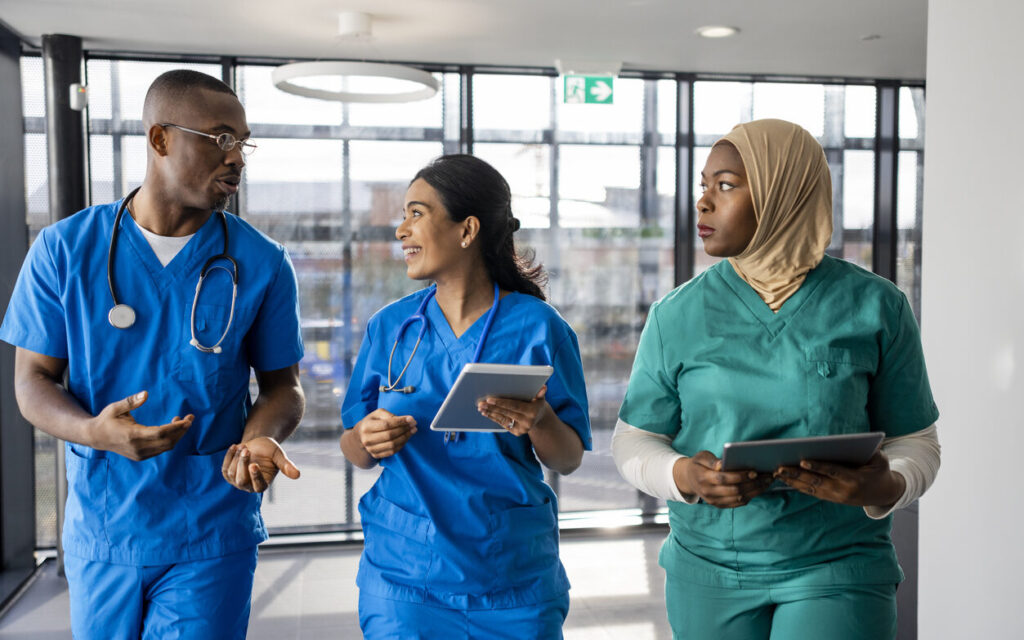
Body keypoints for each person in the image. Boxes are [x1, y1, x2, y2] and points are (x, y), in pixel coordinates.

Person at [0, 69, 305, 639]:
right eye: (220, 138)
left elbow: (283, 387)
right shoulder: (64, 250)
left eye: (243, 142)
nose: (236, 157)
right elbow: (32, 381)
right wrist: (93, 431)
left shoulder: (263, 263)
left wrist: (262, 437)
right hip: (104, 525)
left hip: (211, 524)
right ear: (160, 138)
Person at [611, 119, 940, 640]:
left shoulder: (876, 306)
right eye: (703, 185)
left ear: (783, 192)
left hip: (835, 565)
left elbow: (916, 441)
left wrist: (889, 485)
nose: (703, 202)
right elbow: (634, 441)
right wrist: (686, 477)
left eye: (725, 185)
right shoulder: (676, 314)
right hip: (709, 569)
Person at [340, 154, 591, 639]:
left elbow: (569, 457)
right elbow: (355, 450)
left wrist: (539, 419)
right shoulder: (390, 328)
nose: (400, 230)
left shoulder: (540, 329)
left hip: (511, 575)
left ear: (467, 229)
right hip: (404, 578)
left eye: (416, 213)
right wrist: (367, 437)